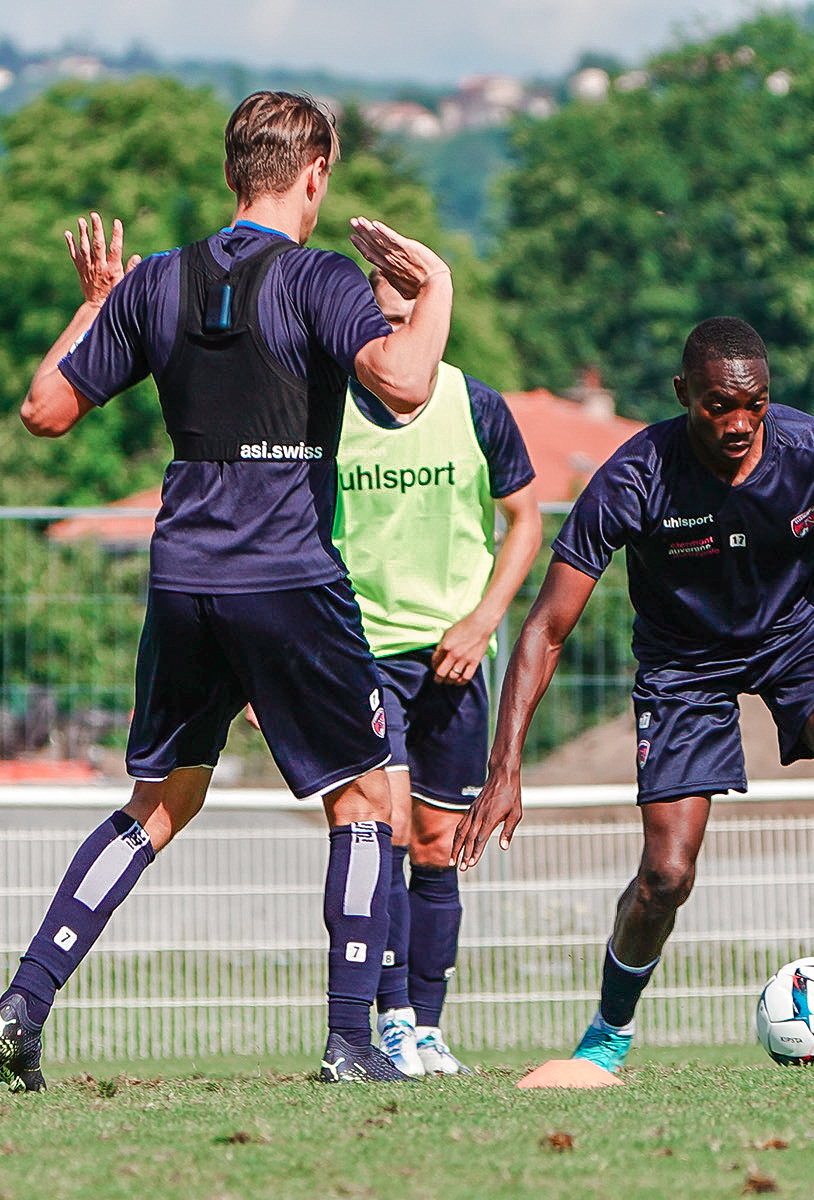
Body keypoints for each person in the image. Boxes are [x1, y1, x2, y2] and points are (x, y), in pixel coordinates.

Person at [0, 91, 455, 1090]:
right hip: (288, 577)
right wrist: (436, 284)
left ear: (235, 172)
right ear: (313, 174)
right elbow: (406, 387)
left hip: (184, 575)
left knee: (158, 800)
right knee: (365, 800)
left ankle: (25, 1002)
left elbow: (43, 408)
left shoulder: (154, 284)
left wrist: (98, 299)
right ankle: (350, 1043)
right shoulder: (318, 281)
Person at [452, 317, 814, 1071]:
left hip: (797, 636)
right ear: (683, 395)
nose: (739, 424)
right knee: (667, 875)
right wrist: (506, 766)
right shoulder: (635, 476)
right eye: (717, 406)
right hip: (683, 665)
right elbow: (544, 629)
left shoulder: (813, 451)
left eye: (755, 405)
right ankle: (608, 1031)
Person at [332, 268, 541, 1074]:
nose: (391, 333)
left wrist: (484, 618)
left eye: (404, 316)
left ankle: (426, 1023)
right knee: (376, 828)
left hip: (455, 655)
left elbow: (526, 517)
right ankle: (385, 1015)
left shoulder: (476, 404)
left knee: (438, 844)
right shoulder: (334, 408)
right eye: (378, 318)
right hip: (360, 649)